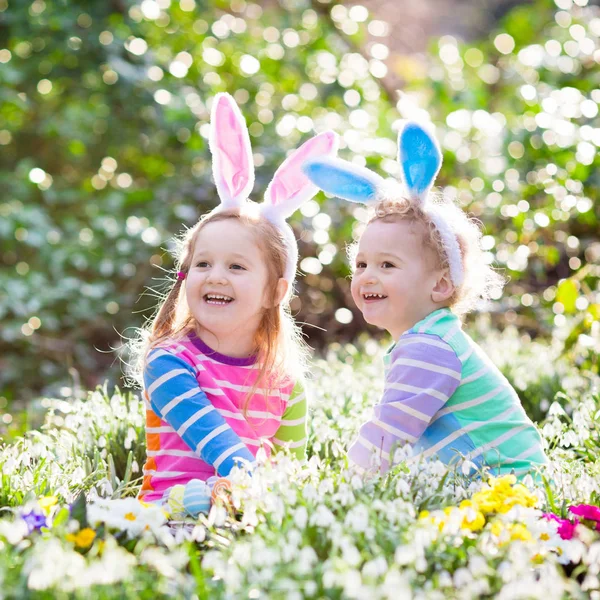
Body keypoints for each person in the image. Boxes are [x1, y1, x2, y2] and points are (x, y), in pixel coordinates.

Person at [302, 121, 547, 478]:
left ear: (442, 285)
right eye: (362, 263)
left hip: (510, 489)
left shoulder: (429, 347)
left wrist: (338, 488)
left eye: (387, 264)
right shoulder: (432, 338)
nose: (368, 275)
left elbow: (387, 438)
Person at [132, 93, 338, 515]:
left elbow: (288, 471)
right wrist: (256, 494)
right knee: (194, 500)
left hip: (245, 512)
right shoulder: (169, 363)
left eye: (237, 266)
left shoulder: (285, 381)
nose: (215, 275)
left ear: (274, 293)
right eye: (203, 262)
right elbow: (225, 452)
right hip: (168, 517)